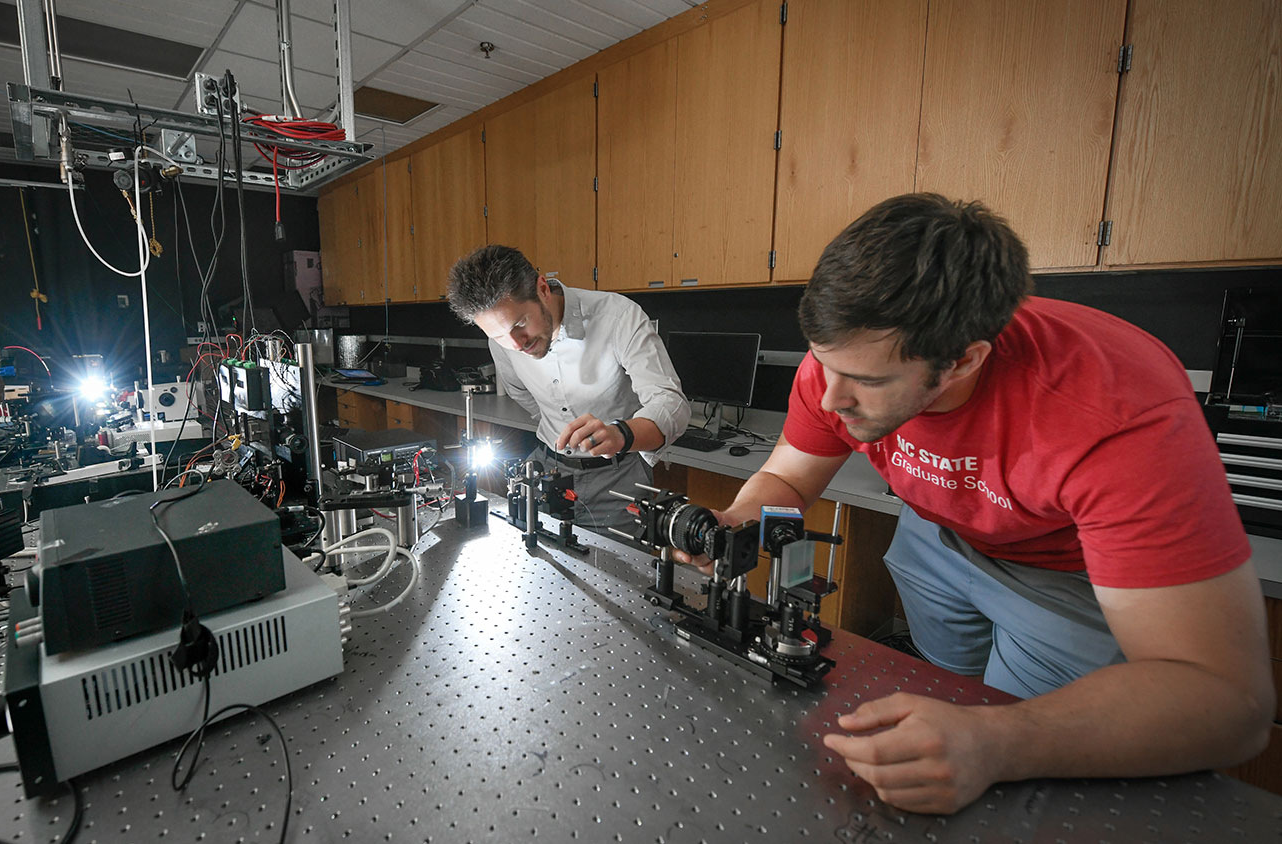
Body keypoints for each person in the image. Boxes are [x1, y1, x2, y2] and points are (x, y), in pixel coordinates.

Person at [689, 194, 1273, 814]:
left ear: (965, 359)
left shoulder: (1119, 416)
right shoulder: (845, 361)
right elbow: (787, 480)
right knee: (943, 689)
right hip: (934, 531)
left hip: (1058, 572)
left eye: (870, 382)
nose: (831, 400)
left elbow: (1228, 703)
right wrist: (735, 524)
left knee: (1006, 748)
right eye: (823, 364)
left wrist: (997, 742)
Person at [446, 245, 690, 528]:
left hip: (617, 481)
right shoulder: (502, 343)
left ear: (542, 288)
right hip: (544, 472)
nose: (516, 344)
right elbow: (520, 393)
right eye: (499, 335)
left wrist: (621, 434)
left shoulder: (618, 316)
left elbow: (671, 402)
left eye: (520, 324)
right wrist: (557, 425)